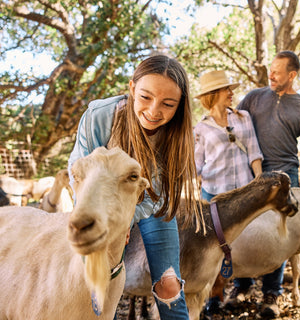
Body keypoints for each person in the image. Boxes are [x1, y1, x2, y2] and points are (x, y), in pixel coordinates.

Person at [68, 54, 202, 320]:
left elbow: (159, 195)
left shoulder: (177, 138)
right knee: (94, 279)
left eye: (168, 104)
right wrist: (110, 221)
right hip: (99, 207)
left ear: (179, 105)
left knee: (169, 283)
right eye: (145, 97)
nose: (153, 111)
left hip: (151, 206)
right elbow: (80, 175)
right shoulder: (99, 116)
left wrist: (128, 219)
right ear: (131, 89)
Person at [228, 50, 300, 319]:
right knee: (242, 229)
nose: (271, 74)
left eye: (278, 71)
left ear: (292, 75)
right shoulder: (254, 98)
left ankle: (272, 293)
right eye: (271, 69)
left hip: (286, 178)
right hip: (251, 174)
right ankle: (242, 286)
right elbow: (233, 124)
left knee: (282, 235)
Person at [193, 70, 264, 318]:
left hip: (243, 192)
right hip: (214, 196)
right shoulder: (200, 128)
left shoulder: (243, 118)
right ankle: (214, 298)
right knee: (217, 249)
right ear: (214, 95)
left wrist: (259, 185)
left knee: (241, 243)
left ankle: (245, 285)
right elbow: (196, 166)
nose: (232, 93)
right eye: (227, 90)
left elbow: (254, 153)